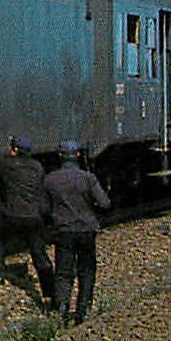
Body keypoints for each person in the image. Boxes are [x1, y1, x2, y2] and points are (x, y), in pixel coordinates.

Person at [42, 140, 111, 327]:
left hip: (63, 230)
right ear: (78, 155)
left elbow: (44, 208)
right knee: (87, 270)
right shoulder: (88, 178)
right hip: (86, 229)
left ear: (59, 156)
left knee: (63, 272)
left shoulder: (50, 179)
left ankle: (62, 309)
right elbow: (105, 203)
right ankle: (82, 310)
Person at [0, 135, 56, 307]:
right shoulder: (38, 167)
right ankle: (50, 294)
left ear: (14, 149)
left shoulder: (8, 165)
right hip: (33, 218)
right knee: (39, 255)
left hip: (13, 216)